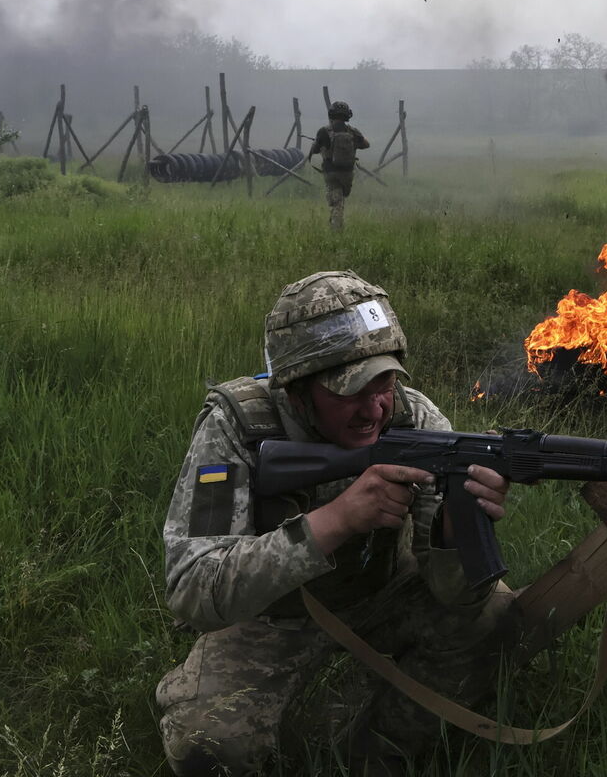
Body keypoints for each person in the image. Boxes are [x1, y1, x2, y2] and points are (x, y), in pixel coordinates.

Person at [155, 271, 519, 776]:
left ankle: (376, 753)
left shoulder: (417, 422)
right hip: (271, 617)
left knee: (495, 614)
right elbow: (194, 589)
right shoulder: (238, 429)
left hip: (380, 593)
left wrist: (457, 529)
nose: (375, 409)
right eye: (351, 392)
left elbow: (455, 594)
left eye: (386, 383)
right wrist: (335, 521)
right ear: (298, 389)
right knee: (208, 743)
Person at [308, 101, 369, 230]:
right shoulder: (353, 131)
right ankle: (337, 225)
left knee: (336, 203)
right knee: (340, 200)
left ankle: (335, 231)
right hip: (347, 173)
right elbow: (366, 144)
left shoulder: (324, 131)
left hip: (331, 172)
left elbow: (314, 150)